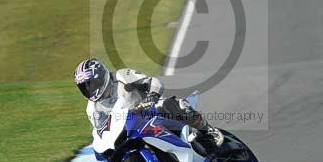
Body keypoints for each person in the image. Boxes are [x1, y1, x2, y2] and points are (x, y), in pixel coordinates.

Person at [74, 58, 224, 154]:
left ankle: (209, 131)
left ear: (100, 76)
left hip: (150, 111)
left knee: (175, 105)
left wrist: (151, 97)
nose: (90, 89)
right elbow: (102, 131)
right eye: (85, 87)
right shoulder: (92, 109)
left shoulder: (121, 76)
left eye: (91, 84)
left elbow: (154, 82)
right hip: (130, 129)